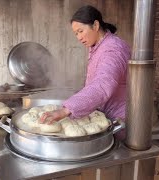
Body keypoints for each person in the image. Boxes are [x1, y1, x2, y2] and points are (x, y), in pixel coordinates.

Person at [40, 5, 131, 139]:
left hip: (119, 121)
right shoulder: (98, 47)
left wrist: (66, 110)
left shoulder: (113, 49)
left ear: (95, 25)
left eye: (81, 31)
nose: (79, 37)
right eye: (76, 33)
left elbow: (102, 84)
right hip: (106, 117)